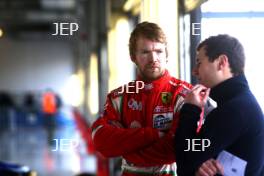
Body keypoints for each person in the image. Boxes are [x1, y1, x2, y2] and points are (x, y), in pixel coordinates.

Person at [91, 21, 214, 176]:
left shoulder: (186, 95)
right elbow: (102, 142)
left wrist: (127, 148)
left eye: (159, 51)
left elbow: (177, 149)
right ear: (133, 57)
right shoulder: (119, 97)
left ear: (166, 54)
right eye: (145, 52)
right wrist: (154, 135)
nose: (153, 58)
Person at [175, 34, 264, 176]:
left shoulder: (234, 110)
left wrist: (191, 108)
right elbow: (192, 157)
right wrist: (200, 162)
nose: (194, 71)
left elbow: (184, 161)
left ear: (222, 62)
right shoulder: (241, 103)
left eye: (199, 63)